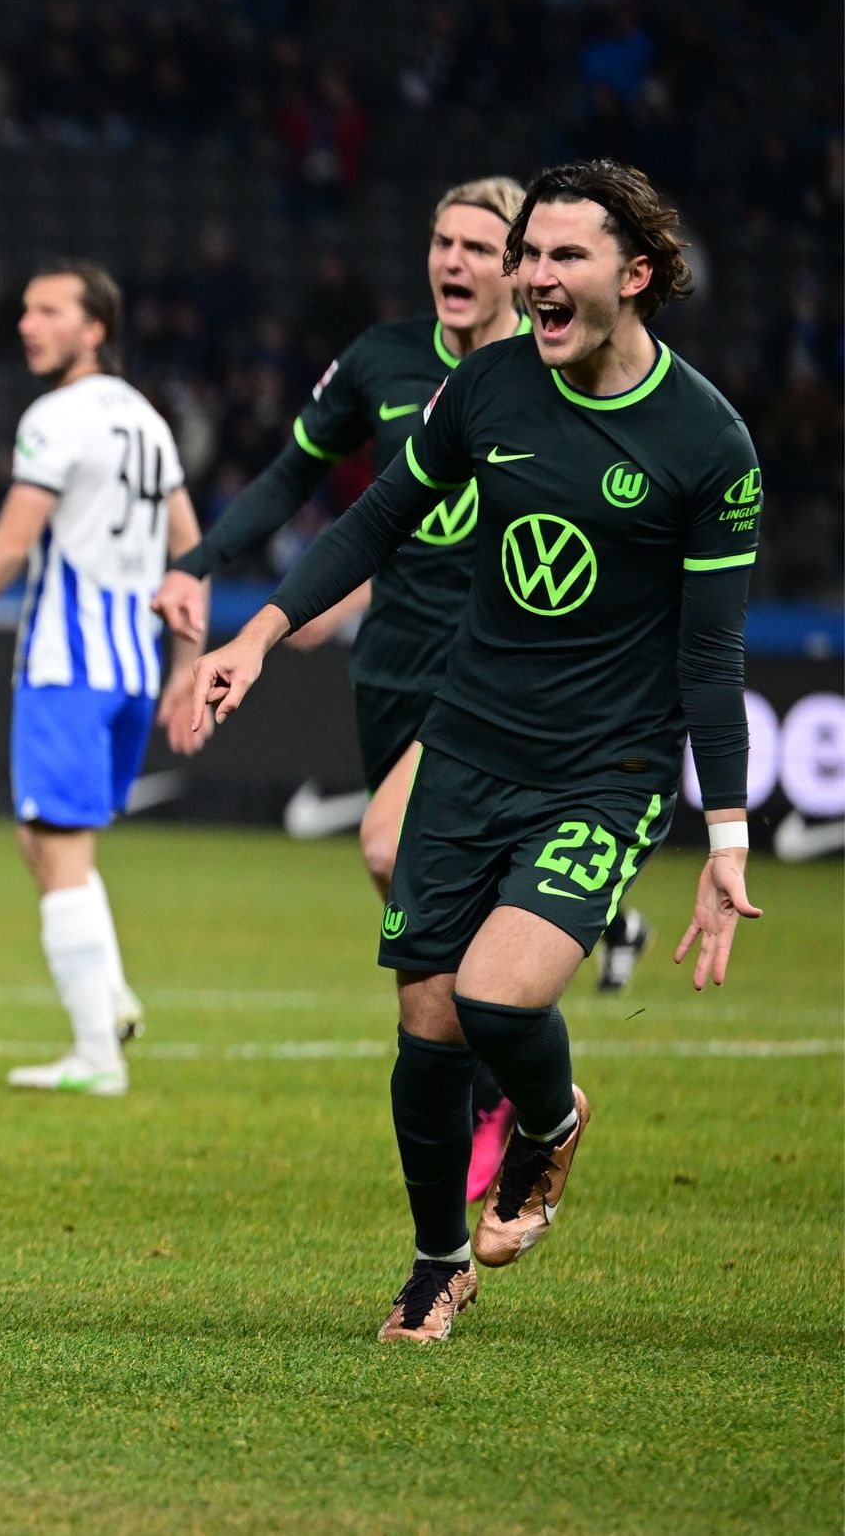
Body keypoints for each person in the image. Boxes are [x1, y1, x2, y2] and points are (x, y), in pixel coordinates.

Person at [189, 159, 762, 1343]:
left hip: (601, 770)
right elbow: (373, 518)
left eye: (561, 258)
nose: (530, 277)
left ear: (635, 274)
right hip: (463, 743)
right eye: (527, 256)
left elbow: (709, 659)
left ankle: (549, 1126)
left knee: (500, 1000)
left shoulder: (707, 442)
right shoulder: (489, 390)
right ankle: (434, 1263)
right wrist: (256, 632)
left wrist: (725, 834)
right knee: (428, 1018)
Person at [158, 177, 648, 1202]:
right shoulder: (382, 362)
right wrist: (201, 560)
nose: (454, 263)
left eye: (479, 245)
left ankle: (509, 1077)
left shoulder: (552, 383)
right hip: (388, 667)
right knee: (423, 895)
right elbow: (301, 481)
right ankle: (510, 1060)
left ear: (519, 265)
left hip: (484, 682)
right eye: (441, 241)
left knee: (385, 844)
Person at [0, 261, 204, 1097]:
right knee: (48, 841)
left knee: (58, 852)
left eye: (50, 311)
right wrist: (183, 665)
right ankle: (111, 994)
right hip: (132, 668)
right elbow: (191, 550)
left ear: (94, 328)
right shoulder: (147, 420)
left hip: (70, 665)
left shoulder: (56, 417)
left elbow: (7, 545)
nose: (28, 324)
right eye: (25, 309)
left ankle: (96, 1055)